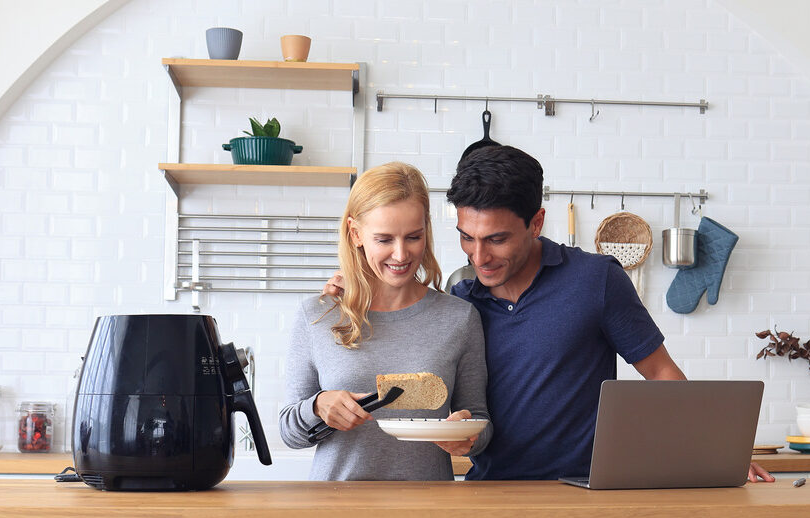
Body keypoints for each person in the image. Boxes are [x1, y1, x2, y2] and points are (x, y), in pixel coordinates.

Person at [329, 146, 771, 482]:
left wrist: (720, 451)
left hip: (584, 490)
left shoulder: (596, 280)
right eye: (467, 237)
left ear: (536, 223)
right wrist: (350, 282)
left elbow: (661, 374)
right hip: (493, 492)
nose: (479, 256)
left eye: (497, 240)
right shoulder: (462, 297)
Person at [279, 162, 491, 480]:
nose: (401, 254)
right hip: (336, 510)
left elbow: (479, 420)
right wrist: (318, 406)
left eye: (414, 237)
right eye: (384, 239)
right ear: (356, 234)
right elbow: (288, 431)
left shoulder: (459, 318)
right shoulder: (318, 315)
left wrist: (468, 435)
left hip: (428, 513)